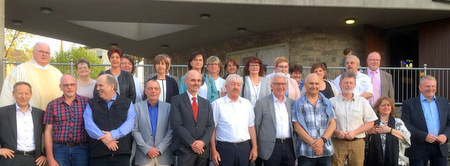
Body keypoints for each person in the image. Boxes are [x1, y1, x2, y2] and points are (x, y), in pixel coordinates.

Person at [84, 74, 136, 165]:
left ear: (112, 86)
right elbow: (89, 124)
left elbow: (130, 122)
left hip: (121, 154)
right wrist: (106, 139)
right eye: (97, 85)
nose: (97, 88)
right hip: (98, 154)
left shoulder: (127, 102)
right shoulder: (91, 103)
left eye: (100, 85)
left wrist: (113, 135)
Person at [330, 71, 378, 166]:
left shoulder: (362, 102)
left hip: (357, 142)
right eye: (346, 83)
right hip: (337, 142)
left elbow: (370, 122)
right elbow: (326, 122)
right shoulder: (331, 102)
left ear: (355, 85)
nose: (348, 85)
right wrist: (335, 132)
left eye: (351, 83)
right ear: (340, 85)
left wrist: (354, 132)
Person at [401, 75, 450, 166]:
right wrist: (424, 136)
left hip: (440, 146)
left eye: (433, 86)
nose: (431, 89)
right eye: (427, 86)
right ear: (420, 87)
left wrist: (445, 135)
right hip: (418, 146)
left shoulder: (444, 102)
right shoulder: (409, 104)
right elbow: (406, 125)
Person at [210, 74, 258, 166]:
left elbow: (251, 127)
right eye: (232, 84)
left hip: (244, 148)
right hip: (225, 148)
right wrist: (213, 150)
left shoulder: (247, 104)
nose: (236, 87)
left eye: (238, 84)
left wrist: (254, 147)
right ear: (226, 86)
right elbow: (213, 129)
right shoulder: (217, 104)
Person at [170, 70, 215, 166]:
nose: (196, 83)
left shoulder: (206, 103)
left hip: (202, 151)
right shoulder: (176, 100)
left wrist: (202, 142)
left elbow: (210, 125)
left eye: (199, 81)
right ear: (185, 81)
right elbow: (176, 124)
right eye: (193, 80)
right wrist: (192, 143)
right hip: (184, 150)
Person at [0, 42, 63, 110]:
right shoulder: (20, 70)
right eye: (41, 51)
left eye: (47, 53)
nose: (44, 54)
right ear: (33, 52)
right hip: (27, 116)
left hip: (53, 116)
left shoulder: (57, 73)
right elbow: (7, 96)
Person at [44, 75, 90, 166]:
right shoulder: (52, 105)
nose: (69, 87)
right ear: (60, 87)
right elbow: (48, 132)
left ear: (76, 86)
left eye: (72, 84)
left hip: (82, 149)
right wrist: (50, 158)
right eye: (66, 85)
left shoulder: (87, 103)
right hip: (59, 149)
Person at [292, 73, 336, 166]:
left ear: (320, 85)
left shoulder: (327, 103)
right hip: (306, 151)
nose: (314, 86)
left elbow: (332, 123)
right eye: (311, 83)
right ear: (305, 84)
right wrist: (315, 144)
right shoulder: (298, 104)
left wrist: (322, 141)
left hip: (325, 150)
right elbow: (297, 127)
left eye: (316, 83)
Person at [0, 82, 47, 166]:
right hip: (11, 159)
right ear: (13, 94)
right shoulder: (2, 113)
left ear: (31, 95)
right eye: (20, 93)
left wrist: (45, 154)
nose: (23, 97)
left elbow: (50, 134)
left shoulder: (40, 114)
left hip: (35, 160)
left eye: (26, 93)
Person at [254, 73, 296, 166]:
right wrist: (255, 147)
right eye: (277, 84)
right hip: (270, 147)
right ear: (271, 85)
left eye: (283, 84)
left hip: (289, 146)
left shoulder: (292, 103)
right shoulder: (261, 103)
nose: (280, 87)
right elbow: (256, 126)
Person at [133, 79, 173, 166]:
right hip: (144, 156)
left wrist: (159, 149)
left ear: (160, 91)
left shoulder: (168, 107)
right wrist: (147, 149)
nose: (153, 91)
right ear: (145, 91)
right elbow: (134, 130)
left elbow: (171, 130)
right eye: (150, 88)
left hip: (163, 156)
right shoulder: (136, 108)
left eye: (156, 88)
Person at [366, 97, 411, 166]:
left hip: (396, 160)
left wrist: (390, 130)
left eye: (388, 105)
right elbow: (363, 138)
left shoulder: (398, 122)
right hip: (374, 159)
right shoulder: (371, 122)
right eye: (383, 105)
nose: (386, 107)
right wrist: (369, 131)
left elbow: (406, 137)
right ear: (378, 108)